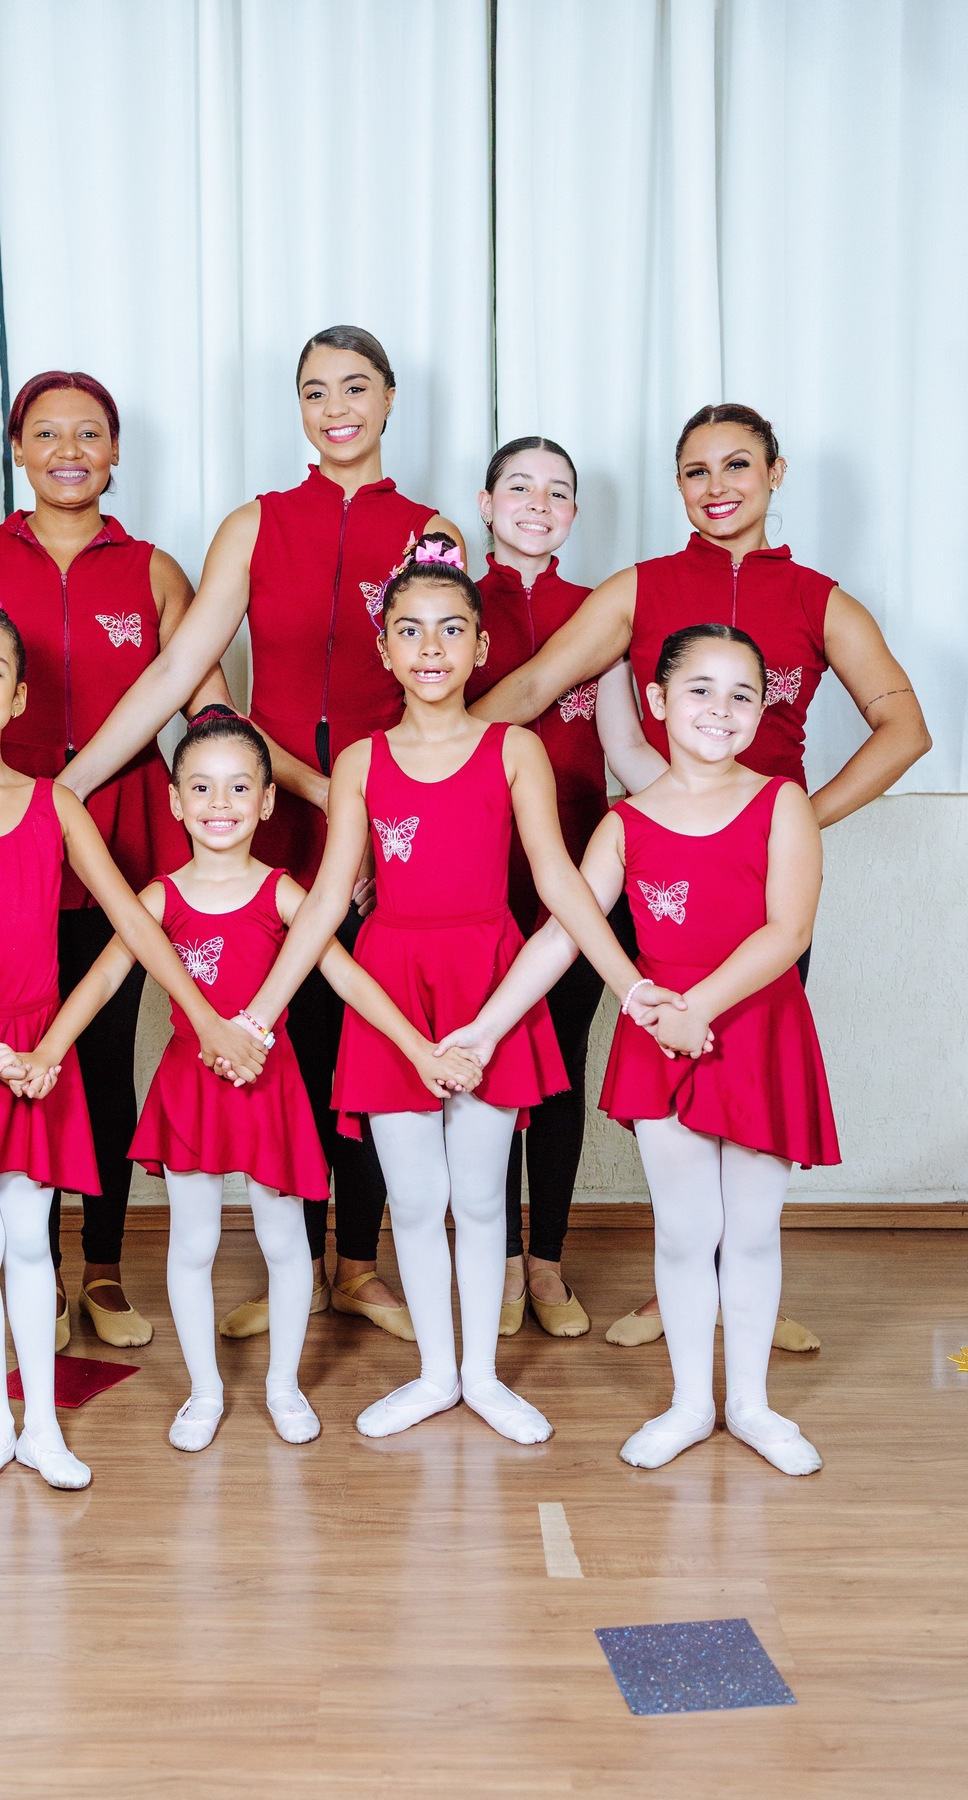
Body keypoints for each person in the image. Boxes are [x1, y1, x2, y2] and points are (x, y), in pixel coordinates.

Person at [470, 403, 930, 1349]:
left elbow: (906, 729)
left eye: (737, 466)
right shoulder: (639, 589)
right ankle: (674, 1283)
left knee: (747, 1075)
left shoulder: (820, 599)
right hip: (652, 875)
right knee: (660, 1069)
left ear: (775, 471)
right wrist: (424, 763)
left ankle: (747, 1283)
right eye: (695, 471)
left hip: (763, 891)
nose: (717, 487)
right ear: (677, 485)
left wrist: (796, 823)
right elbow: (534, 687)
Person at [54, 328, 467, 1342]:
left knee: (369, 1047)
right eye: (316, 391)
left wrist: (374, 818)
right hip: (274, 816)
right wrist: (66, 788)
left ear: (390, 398)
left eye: (356, 387)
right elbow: (177, 678)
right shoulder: (254, 525)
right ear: (298, 408)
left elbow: (446, 683)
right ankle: (300, 1263)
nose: (338, 408)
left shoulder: (430, 531)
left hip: (392, 825)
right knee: (291, 1043)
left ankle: (358, 1267)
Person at [233, 537, 686, 1445]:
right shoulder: (361, 762)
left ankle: (480, 1375)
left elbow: (560, 884)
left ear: (481, 647)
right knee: (414, 1199)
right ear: (384, 648)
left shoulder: (514, 749)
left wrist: (631, 982)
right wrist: (257, 1012)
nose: (430, 647)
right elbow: (326, 901)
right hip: (392, 988)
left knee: (481, 1199)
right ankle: (436, 1374)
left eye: (450, 629)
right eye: (409, 630)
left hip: (490, 982)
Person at [0, 599, 264, 1502]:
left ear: (19, 698)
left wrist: (204, 1019)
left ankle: (41, 1429)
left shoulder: (54, 804)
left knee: (28, 1244)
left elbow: (135, 924)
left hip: (37, 1054)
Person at [20, 709, 480, 1450]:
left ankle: (283, 1385)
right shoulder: (159, 898)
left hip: (271, 1085)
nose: (220, 803)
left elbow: (350, 979)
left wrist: (419, 1050)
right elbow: (101, 981)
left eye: (239, 787)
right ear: (175, 802)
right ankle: (204, 1390)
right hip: (191, 1085)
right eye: (201, 787)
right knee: (192, 1243)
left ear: (267, 802)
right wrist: (48, 1051)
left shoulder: (283, 894)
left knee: (285, 1243)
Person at [440, 624, 839, 1474]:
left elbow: (788, 930)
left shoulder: (782, 803)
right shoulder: (624, 824)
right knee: (687, 1230)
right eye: (700, 690)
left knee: (752, 1231)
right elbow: (564, 932)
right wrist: (486, 1024)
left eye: (741, 694)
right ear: (656, 701)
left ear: (761, 710)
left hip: (754, 1031)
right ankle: (691, 1403)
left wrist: (700, 1008)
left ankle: (752, 1405)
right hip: (662, 1038)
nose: (720, 709)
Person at [0, 370, 227, 1352]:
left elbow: (206, 709)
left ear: (116, 453)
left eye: (90, 433)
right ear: (18, 451)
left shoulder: (156, 572)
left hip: (121, 844)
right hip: (9, 858)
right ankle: (28, 1265)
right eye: (46, 433)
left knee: (104, 1063)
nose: (69, 450)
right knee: (20, 1057)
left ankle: (104, 1270)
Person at [468, 437, 647, 1338]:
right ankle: (499, 1261)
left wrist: (711, 818)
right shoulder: (455, 605)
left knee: (562, 1063)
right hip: (479, 862)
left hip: (583, 866)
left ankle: (547, 1261)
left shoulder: (600, 613)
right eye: (519, 487)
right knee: (492, 1058)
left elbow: (623, 748)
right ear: (486, 504)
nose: (538, 504)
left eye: (558, 492)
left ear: (574, 513)